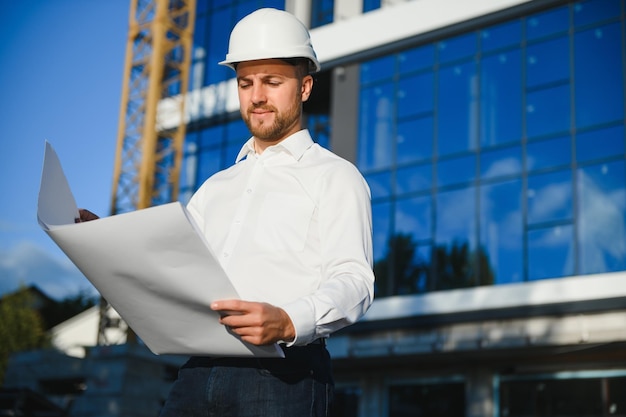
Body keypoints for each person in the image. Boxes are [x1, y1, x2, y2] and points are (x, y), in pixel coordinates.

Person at [82, 7, 374, 417]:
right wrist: (112, 247)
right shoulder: (214, 188)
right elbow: (178, 271)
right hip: (196, 372)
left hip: (285, 376)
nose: (256, 96)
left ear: (305, 87)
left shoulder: (335, 176)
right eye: (245, 83)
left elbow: (355, 280)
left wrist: (290, 321)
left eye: (272, 82)